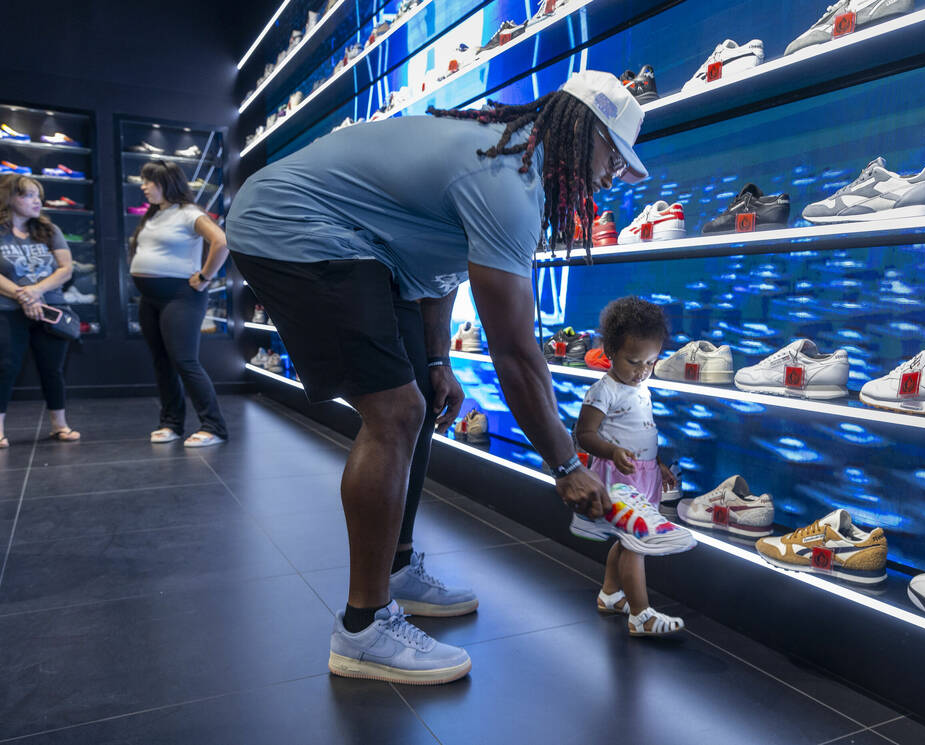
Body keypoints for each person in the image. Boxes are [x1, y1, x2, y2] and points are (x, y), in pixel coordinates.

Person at [226, 71, 683, 685]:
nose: (610, 177)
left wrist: (437, 360)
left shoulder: (508, 158)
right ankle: (363, 628)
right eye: (612, 157)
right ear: (585, 133)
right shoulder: (509, 180)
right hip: (292, 223)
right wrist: (565, 466)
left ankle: (396, 569)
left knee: (421, 395)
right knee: (396, 412)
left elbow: (436, 266)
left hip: (366, 246)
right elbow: (517, 355)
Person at [573, 296, 686, 636]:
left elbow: (643, 432)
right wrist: (611, 452)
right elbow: (584, 435)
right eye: (634, 361)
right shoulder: (603, 391)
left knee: (628, 542)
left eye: (650, 363)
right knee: (637, 543)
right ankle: (641, 614)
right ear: (609, 350)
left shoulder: (642, 386)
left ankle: (611, 594)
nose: (642, 371)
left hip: (643, 475)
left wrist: (659, 464)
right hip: (618, 477)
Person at [129, 160, 229, 447]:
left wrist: (205, 276)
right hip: (150, 298)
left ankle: (214, 426)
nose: (144, 186)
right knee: (162, 362)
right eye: (144, 181)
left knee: (185, 361)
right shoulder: (153, 214)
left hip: (181, 296)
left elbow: (220, 242)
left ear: (168, 184)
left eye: (150, 181)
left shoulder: (188, 213)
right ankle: (171, 423)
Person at [0, 174, 79, 446]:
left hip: (51, 307)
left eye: (38, 195)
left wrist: (35, 292)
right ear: (9, 197)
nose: (38, 201)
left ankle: (60, 425)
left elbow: (66, 269)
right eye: (29, 195)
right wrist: (23, 296)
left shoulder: (49, 229)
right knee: (5, 366)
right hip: (8, 309)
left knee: (53, 368)